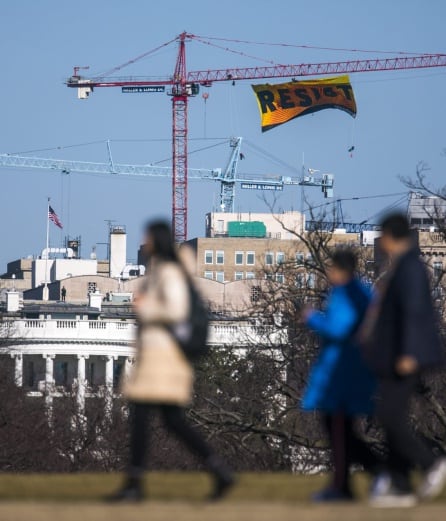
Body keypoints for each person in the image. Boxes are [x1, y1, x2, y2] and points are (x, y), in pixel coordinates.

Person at [109, 220, 234, 502]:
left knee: (143, 417)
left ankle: (135, 484)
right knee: (172, 422)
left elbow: (176, 309)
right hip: (158, 356)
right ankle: (219, 471)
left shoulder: (168, 272)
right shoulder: (161, 271)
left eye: (148, 236)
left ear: (158, 239)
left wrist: (146, 306)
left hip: (162, 358)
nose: (145, 240)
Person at [365, 213, 446, 508]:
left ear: (390, 236)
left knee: (388, 414)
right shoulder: (404, 266)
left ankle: (430, 463)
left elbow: (413, 312)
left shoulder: (409, 267)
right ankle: (399, 484)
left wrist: (409, 353)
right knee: (391, 415)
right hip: (398, 354)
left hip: (406, 355)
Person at [301, 248, 377, 502]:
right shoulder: (363, 292)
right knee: (342, 431)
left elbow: (338, 329)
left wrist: (312, 318)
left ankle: (347, 484)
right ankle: (376, 473)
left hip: (340, 372)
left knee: (338, 431)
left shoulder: (346, 295)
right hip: (351, 370)